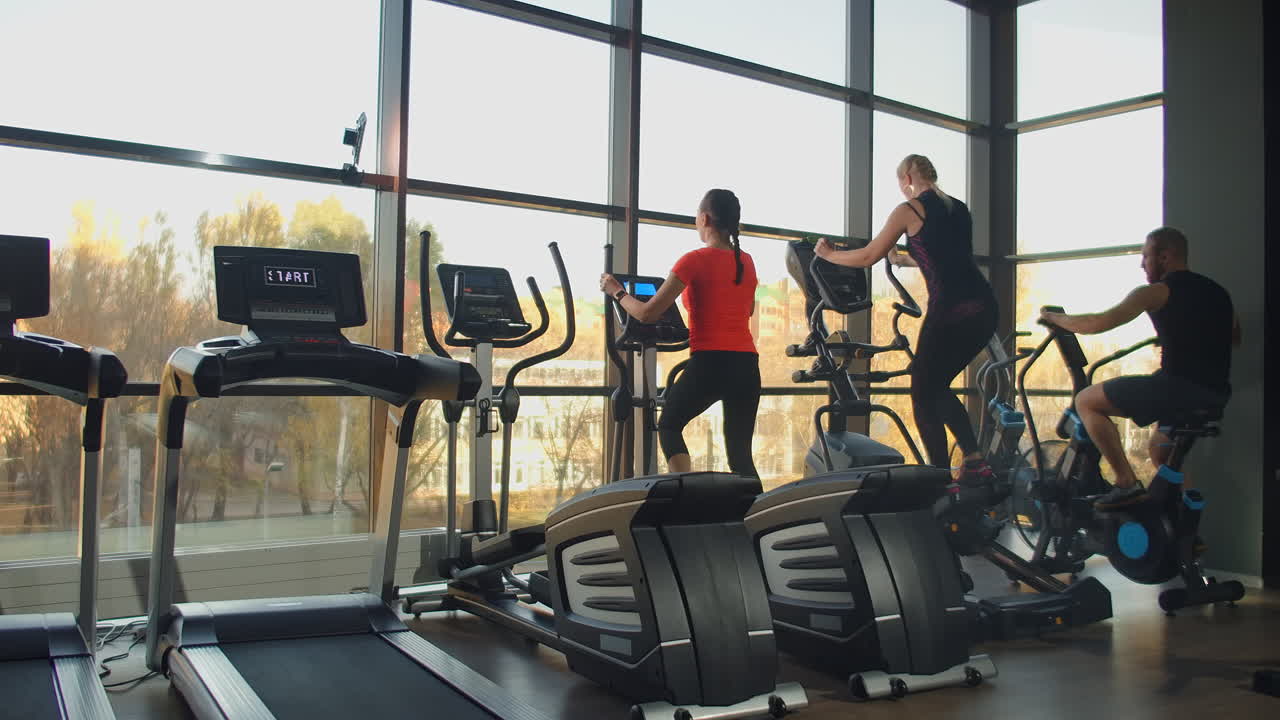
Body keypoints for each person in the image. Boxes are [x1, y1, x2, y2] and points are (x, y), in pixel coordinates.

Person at [815, 154, 998, 485]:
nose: (901, 188)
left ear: (909, 176)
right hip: (984, 307)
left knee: (922, 391)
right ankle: (974, 460)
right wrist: (903, 258)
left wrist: (829, 255)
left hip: (951, 310)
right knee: (935, 385)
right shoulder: (958, 207)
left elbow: (869, 255)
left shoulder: (909, 210)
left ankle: (941, 480)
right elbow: (948, 258)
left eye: (901, 182)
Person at [1040, 226, 1239, 509]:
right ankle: (1185, 519)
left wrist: (1053, 317)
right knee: (1160, 452)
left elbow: (1096, 323)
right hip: (1215, 393)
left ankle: (1126, 483)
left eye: (1146, 257)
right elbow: (1234, 336)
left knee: (1086, 400)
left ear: (1165, 257)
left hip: (1177, 388)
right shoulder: (1219, 292)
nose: (1141, 264)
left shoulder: (1157, 292)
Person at [599, 188, 761, 478]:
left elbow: (648, 313)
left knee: (670, 425)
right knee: (740, 455)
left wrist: (617, 291)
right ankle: (757, 520)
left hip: (711, 361)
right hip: (747, 364)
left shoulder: (694, 260)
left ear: (705, 218)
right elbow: (746, 310)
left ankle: (686, 494)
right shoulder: (745, 261)